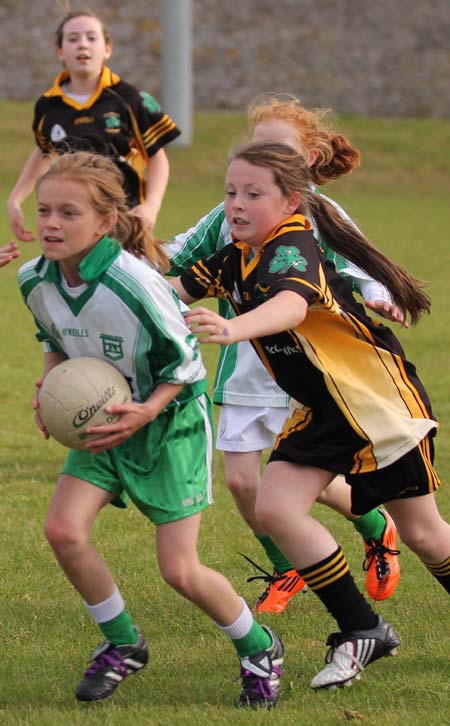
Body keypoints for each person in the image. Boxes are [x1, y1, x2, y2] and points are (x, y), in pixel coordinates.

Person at [172, 140, 450, 690]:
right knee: (275, 507)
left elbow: (291, 305)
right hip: (325, 409)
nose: (236, 204)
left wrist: (231, 328)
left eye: (254, 194)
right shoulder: (236, 255)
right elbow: (169, 288)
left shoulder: (292, 247)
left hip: (376, 407)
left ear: (291, 201)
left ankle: (364, 626)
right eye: (230, 192)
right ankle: (362, 629)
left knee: (423, 533)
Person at [17, 150, 284, 709]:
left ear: (106, 222)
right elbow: (54, 338)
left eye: (69, 213)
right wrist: (50, 387)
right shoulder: (34, 278)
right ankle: (122, 644)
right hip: (103, 417)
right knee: (63, 531)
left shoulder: (133, 282)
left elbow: (187, 358)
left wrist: (146, 409)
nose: (51, 224)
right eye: (44, 211)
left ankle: (259, 646)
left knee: (180, 570)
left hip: (169, 422)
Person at [166, 94, 401, 612]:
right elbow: (176, 257)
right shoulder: (229, 212)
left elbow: (361, 264)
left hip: (310, 368)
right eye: (259, 147)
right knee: (241, 481)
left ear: (309, 158)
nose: (263, 160)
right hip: (247, 364)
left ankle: (373, 523)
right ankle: (286, 564)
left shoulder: (319, 213)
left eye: (279, 149)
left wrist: (381, 295)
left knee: (301, 485)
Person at [7, 9, 180, 241]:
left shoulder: (130, 99)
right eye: (73, 38)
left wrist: (151, 205)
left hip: (124, 223)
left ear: (107, 48)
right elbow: (44, 151)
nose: (83, 45)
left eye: (91, 37)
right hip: (71, 228)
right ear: (60, 52)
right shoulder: (47, 106)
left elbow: (157, 156)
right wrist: (15, 200)